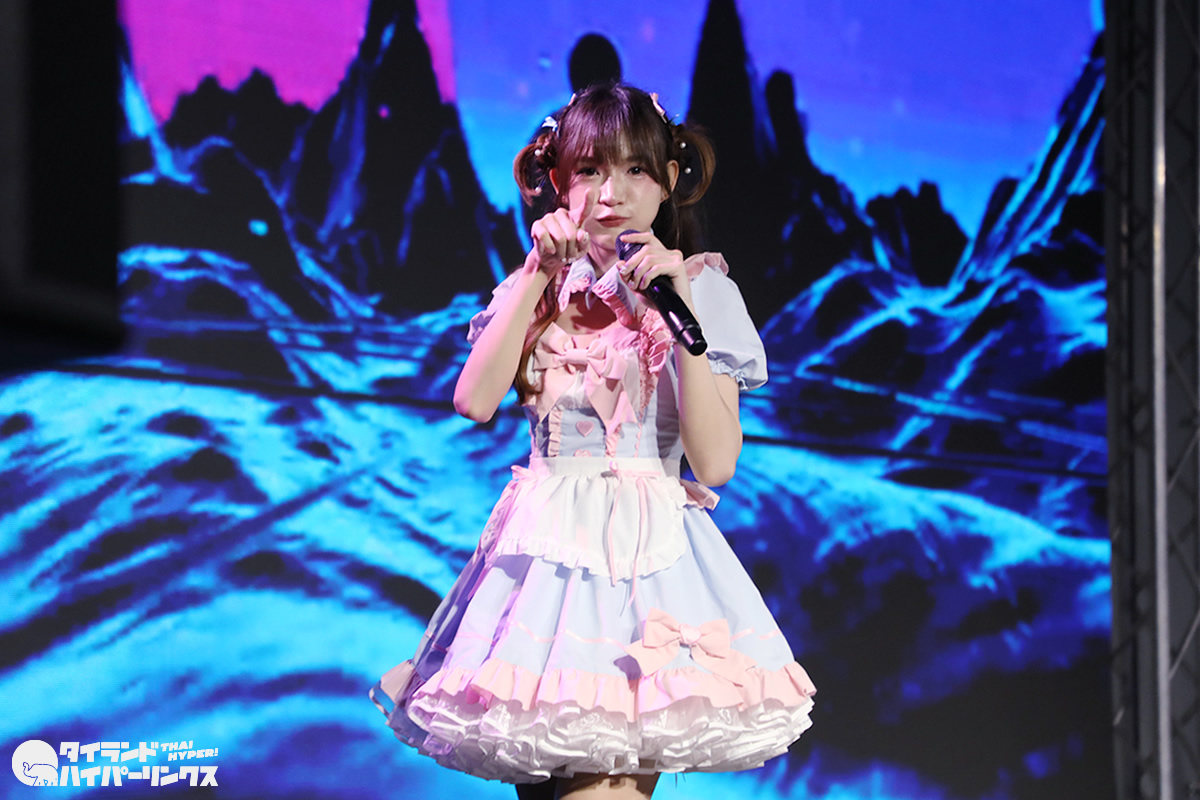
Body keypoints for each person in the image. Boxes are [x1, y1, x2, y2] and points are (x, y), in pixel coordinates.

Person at [370, 83, 816, 800]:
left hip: (645, 574)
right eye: (590, 170)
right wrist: (537, 274)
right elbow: (474, 401)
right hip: (539, 578)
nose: (612, 194)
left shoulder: (700, 292)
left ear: (669, 180)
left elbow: (715, 463)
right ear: (558, 181)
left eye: (636, 170)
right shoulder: (537, 289)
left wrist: (679, 314)